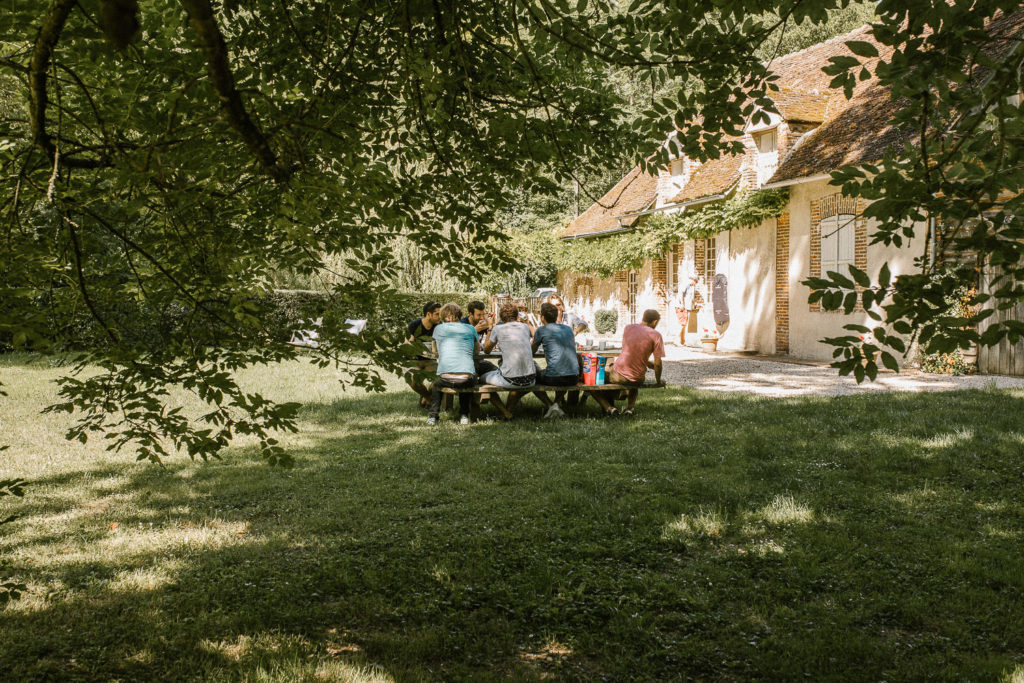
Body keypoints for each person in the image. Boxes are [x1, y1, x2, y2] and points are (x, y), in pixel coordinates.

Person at [427, 303, 481, 426]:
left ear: (443, 316)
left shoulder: (438, 329)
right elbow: (477, 351)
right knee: (468, 377)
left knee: (436, 385)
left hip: (445, 378)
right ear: (459, 315)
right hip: (465, 379)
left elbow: (435, 352)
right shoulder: (470, 328)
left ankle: (433, 416)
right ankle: (464, 415)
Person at [608, 309, 666, 416]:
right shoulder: (656, 335)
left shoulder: (628, 328)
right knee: (636, 374)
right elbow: (658, 364)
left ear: (643, 318)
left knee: (605, 371)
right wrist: (658, 380)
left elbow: (631, 353)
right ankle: (629, 408)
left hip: (618, 375)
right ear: (654, 322)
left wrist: (651, 365)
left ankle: (609, 405)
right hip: (637, 378)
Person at [532, 302, 582, 418]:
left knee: (531, 377)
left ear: (542, 317)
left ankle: (551, 405)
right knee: (562, 372)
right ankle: (556, 405)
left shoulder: (541, 330)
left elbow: (531, 351)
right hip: (573, 377)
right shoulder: (568, 329)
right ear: (556, 316)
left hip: (554, 378)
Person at [482, 303, 537, 406]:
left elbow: (486, 350)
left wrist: (490, 327)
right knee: (511, 371)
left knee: (481, 378)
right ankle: (510, 408)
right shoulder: (524, 327)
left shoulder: (498, 329)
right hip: (531, 380)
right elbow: (536, 335)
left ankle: (504, 411)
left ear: (501, 318)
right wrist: (527, 322)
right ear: (517, 316)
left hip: (511, 381)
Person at [405, 301, 441, 406]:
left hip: (430, 360)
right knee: (413, 380)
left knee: (440, 379)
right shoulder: (415, 325)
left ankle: (426, 397)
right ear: (428, 314)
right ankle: (428, 397)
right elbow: (407, 343)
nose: (440, 317)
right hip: (413, 360)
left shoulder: (440, 326)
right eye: (437, 314)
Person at [460, 300, 498, 376]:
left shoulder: (482, 323)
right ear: (470, 314)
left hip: (478, 360)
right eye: (479, 315)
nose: (482, 317)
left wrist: (490, 327)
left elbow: (488, 346)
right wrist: (474, 330)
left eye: (483, 314)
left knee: (496, 371)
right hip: (463, 362)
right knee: (473, 375)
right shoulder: (462, 324)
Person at [674, 275, 699, 345]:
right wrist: (682, 304)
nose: (696, 283)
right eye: (696, 282)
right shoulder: (686, 283)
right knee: (682, 323)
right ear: (693, 280)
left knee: (684, 324)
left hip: (686, 307)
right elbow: (681, 293)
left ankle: (682, 341)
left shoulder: (692, 287)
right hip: (681, 306)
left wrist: (693, 304)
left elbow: (691, 297)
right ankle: (676, 340)